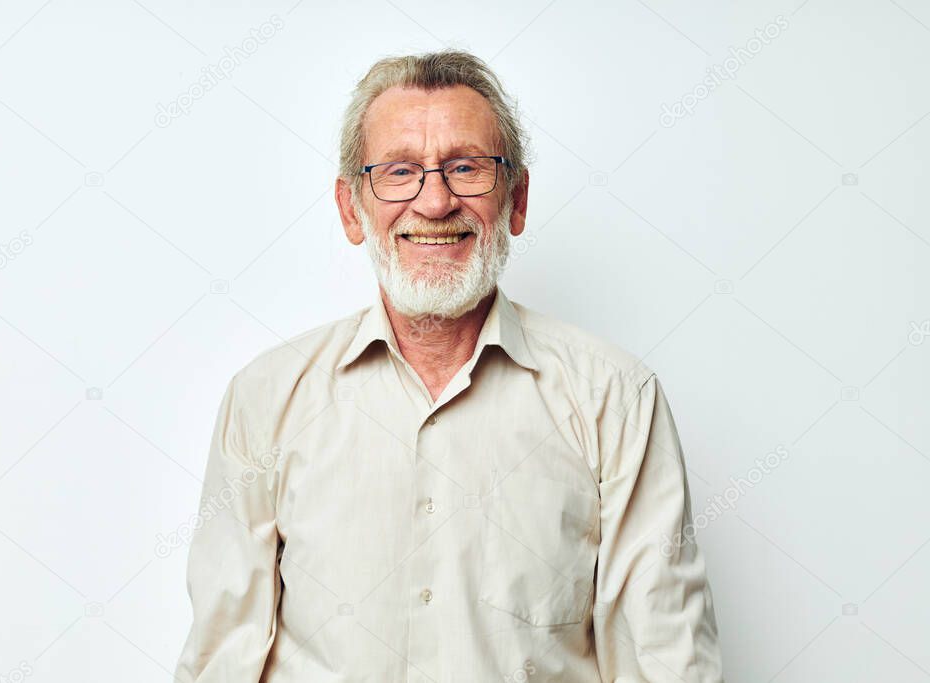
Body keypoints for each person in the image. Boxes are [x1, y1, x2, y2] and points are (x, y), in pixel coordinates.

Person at [174, 49, 723, 682]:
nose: (434, 202)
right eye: (400, 171)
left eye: (465, 168)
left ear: (515, 199)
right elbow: (221, 660)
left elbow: (667, 662)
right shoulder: (267, 398)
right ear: (352, 208)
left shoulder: (617, 400)